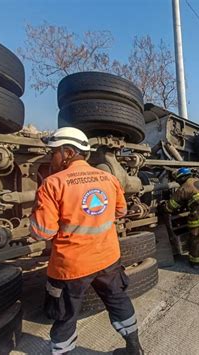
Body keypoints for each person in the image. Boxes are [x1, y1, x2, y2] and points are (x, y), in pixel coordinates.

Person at [29, 127, 143, 355]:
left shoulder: (52, 184)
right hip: (107, 258)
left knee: (66, 315)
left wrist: (34, 216)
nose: (52, 158)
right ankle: (134, 349)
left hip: (72, 266)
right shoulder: (109, 178)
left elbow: (43, 232)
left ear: (69, 152)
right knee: (118, 301)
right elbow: (120, 212)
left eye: (54, 152)